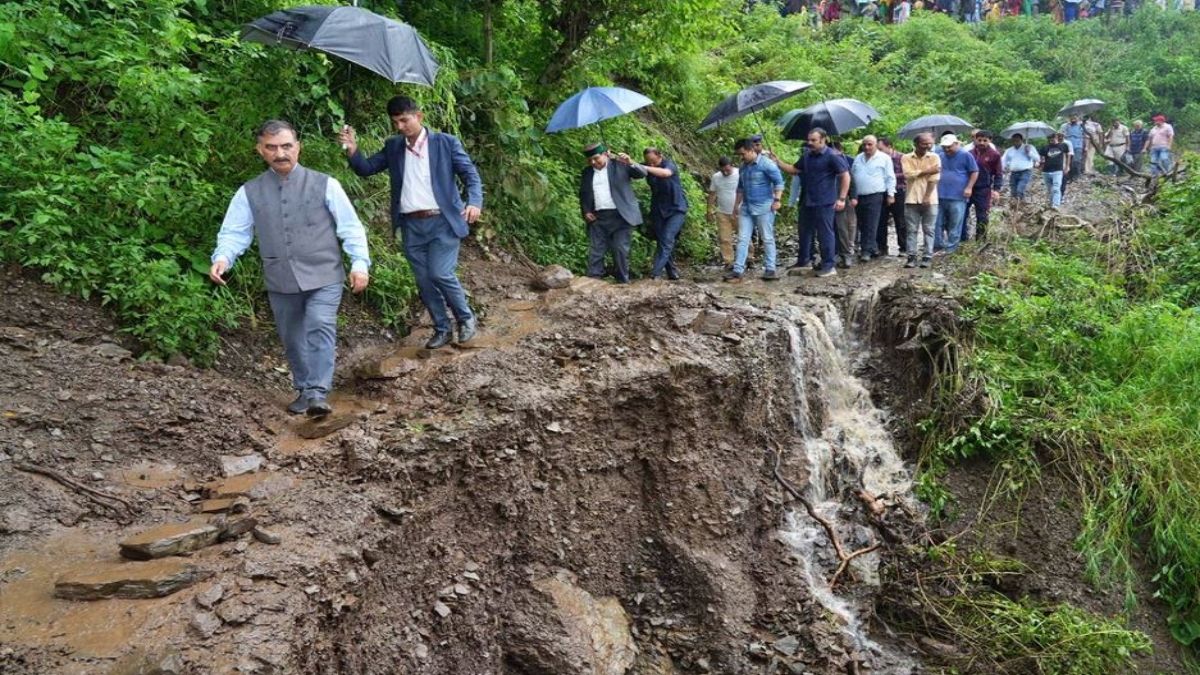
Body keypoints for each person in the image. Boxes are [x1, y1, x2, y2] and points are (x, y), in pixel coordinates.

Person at [210, 120, 371, 418]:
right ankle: (305, 390)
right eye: (271, 147)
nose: (280, 153)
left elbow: (351, 228)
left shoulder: (326, 184)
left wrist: (359, 263)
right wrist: (223, 258)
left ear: (298, 147)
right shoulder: (249, 192)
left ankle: (319, 392)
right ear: (260, 150)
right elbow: (235, 232)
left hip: (325, 274)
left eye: (286, 146)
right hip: (279, 276)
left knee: (319, 323)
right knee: (291, 335)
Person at [340, 96, 482, 350]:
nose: (400, 126)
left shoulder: (446, 143)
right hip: (411, 225)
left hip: (443, 221)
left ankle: (465, 318)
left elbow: (470, 175)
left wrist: (474, 202)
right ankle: (442, 328)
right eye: (395, 122)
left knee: (440, 272)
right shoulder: (394, 146)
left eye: (404, 120)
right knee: (424, 280)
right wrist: (352, 148)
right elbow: (366, 168)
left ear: (419, 116)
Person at [775, 128, 851, 278]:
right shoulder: (807, 156)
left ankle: (828, 265)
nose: (809, 143)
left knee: (825, 233)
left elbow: (845, 176)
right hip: (807, 200)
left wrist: (842, 198)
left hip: (825, 201)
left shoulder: (832, 156)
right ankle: (804, 261)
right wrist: (777, 162)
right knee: (804, 231)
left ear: (823, 140)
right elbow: (794, 169)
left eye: (813, 140)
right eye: (809, 140)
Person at [577, 143, 648, 284]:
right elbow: (584, 194)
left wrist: (631, 162)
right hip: (598, 217)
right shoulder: (587, 173)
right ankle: (593, 281)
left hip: (621, 215)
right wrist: (586, 211)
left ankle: (623, 282)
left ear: (605, 153)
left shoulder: (620, 165)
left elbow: (642, 173)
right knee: (596, 249)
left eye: (596, 158)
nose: (593, 162)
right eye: (590, 160)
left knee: (620, 249)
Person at [725, 138, 784, 282]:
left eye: (743, 154)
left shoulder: (767, 164)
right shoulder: (743, 167)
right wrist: (736, 205)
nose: (741, 157)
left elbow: (779, 183)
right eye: (739, 155)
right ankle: (738, 270)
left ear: (751, 150)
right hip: (747, 207)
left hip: (764, 207)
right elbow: (740, 188)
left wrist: (777, 200)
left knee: (767, 238)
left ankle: (770, 269)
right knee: (742, 239)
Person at [640, 147, 689, 281]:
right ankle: (671, 272)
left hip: (676, 208)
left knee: (667, 239)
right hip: (658, 209)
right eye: (648, 162)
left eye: (653, 162)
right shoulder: (646, 165)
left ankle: (655, 274)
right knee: (662, 240)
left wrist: (646, 168)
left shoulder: (669, 165)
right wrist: (614, 158)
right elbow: (630, 166)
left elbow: (665, 174)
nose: (651, 164)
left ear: (660, 156)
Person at [849, 135, 896, 262]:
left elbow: (890, 177)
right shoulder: (858, 158)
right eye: (864, 144)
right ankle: (872, 247)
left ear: (875, 145)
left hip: (875, 195)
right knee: (861, 223)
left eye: (870, 144)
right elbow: (852, 176)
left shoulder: (884, 158)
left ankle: (866, 251)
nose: (866, 147)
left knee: (871, 223)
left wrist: (891, 194)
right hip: (859, 196)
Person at [933, 134, 978, 254]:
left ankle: (951, 247)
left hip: (958, 195)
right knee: (937, 222)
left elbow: (974, 171)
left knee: (955, 222)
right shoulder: (940, 156)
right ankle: (937, 245)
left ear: (956, 144)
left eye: (949, 147)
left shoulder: (966, 155)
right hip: (939, 194)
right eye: (944, 147)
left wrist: (969, 187)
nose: (947, 149)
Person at [901, 132, 941, 269]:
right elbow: (907, 175)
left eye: (930, 143)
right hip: (911, 198)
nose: (928, 146)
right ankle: (911, 257)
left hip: (931, 199)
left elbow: (934, 179)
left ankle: (927, 257)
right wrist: (928, 170)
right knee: (911, 230)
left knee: (929, 229)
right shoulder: (906, 158)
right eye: (924, 143)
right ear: (916, 144)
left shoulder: (935, 157)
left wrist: (927, 196)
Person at [965, 130, 1002, 241]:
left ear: (990, 141)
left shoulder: (994, 155)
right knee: (962, 214)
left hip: (983, 189)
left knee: (982, 216)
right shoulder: (969, 153)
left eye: (985, 140)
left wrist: (996, 190)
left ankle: (980, 241)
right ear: (975, 140)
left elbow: (998, 173)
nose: (981, 143)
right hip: (967, 188)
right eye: (979, 140)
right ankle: (962, 238)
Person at [707, 157, 741, 269]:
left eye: (728, 170)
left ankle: (749, 258)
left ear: (732, 165)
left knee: (743, 236)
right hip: (722, 211)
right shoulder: (716, 177)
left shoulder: (740, 173)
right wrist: (709, 210)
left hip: (739, 211)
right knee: (724, 238)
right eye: (723, 171)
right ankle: (729, 261)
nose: (725, 173)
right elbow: (712, 194)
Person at [877, 136, 907, 256]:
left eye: (881, 149)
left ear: (889, 147)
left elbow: (907, 174)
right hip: (881, 191)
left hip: (898, 190)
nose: (879, 152)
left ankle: (904, 247)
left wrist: (890, 175)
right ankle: (882, 247)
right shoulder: (877, 159)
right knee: (881, 220)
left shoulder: (901, 157)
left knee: (900, 220)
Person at [1001, 133, 1040, 202]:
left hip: (1025, 172)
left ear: (1021, 140)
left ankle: (1020, 205)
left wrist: (1029, 152)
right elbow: (1003, 160)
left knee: (1020, 189)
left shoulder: (1029, 147)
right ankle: (1014, 206)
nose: (1015, 143)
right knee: (1013, 191)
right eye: (1013, 141)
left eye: (1017, 141)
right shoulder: (1009, 150)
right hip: (1013, 172)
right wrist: (1002, 168)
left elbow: (1037, 158)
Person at [1039, 132, 1072, 209]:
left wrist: (1067, 166)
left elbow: (1068, 155)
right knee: (1050, 190)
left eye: (1053, 137)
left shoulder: (1063, 145)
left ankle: (1056, 205)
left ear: (1056, 137)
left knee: (1056, 188)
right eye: (1050, 138)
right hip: (1046, 171)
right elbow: (1041, 159)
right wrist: (1041, 163)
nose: (1052, 140)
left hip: (1058, 170)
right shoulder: (1045, 147)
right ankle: (1051, 205)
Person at [1059, 115, 1085, 186]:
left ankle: (1076, 176)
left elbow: (1085, 136)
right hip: (1067, 145)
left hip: (1078, 145)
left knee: (1076, 161)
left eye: (1075, 117)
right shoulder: (1064, 125)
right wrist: (1065, 130)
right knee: (1067, 162)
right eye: (1071, 116)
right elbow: (1060, 135)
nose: (1073, 118)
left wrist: (1086, 146)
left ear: (1078, 118)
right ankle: (1068, 176)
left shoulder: (1081, 126)